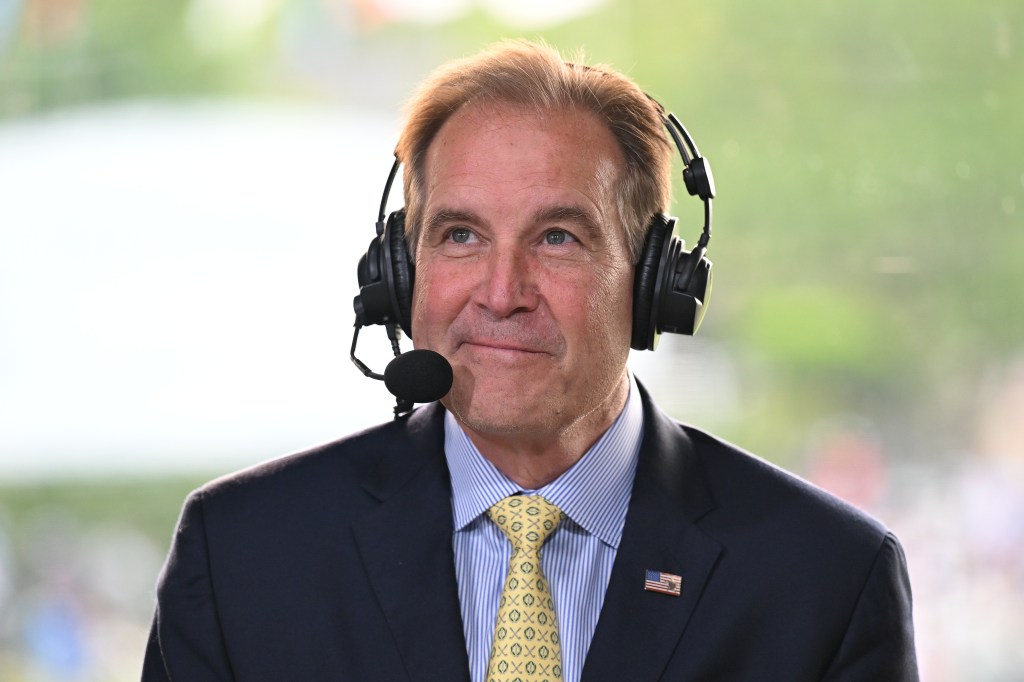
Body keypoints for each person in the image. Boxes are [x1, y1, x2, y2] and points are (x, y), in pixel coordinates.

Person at [142, 40, 918, 681]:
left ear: (652, 283)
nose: (502, 292)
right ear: (400, 275)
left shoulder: (827, 578)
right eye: (460, 236)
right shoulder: (241, 556)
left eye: (557, 238)